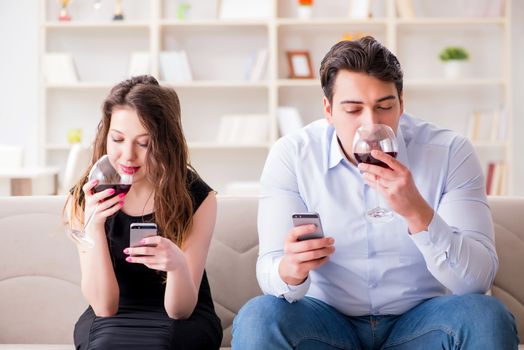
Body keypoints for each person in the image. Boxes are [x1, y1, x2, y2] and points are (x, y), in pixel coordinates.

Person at [232, 37, 519, 349]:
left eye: (384, 107)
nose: (370, 124)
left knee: (487, 315)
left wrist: (418, 213)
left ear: (402, 104)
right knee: (257, 316)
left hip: (422, 321)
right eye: (353, 109)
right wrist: (290, 271)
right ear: (328, 110)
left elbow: (476, 282)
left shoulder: (450, 152)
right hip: (326, 322)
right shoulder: (293, 155)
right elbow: (270, 269)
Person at [65, 75, 222, 349]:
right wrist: (94, 226)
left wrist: (177, 265)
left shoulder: (198, 197)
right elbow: (104, 306)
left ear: (165, 143)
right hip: (111, 317)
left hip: (182, 318)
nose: (127, 155)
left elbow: (180, 310)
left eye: (144, 143)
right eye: (117, 139)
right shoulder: (84, 197)